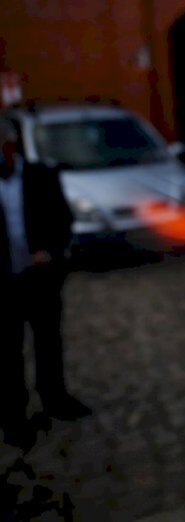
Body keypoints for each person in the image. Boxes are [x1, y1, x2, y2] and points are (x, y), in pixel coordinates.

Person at [1, 119, 91, 450]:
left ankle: (55, 398)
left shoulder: (42, 176)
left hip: (41, 280)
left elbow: (63, 220)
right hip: (5, 284)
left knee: (48, 342)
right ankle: (13, 417)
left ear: (11, 145)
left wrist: (50, 251)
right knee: (8, 354)